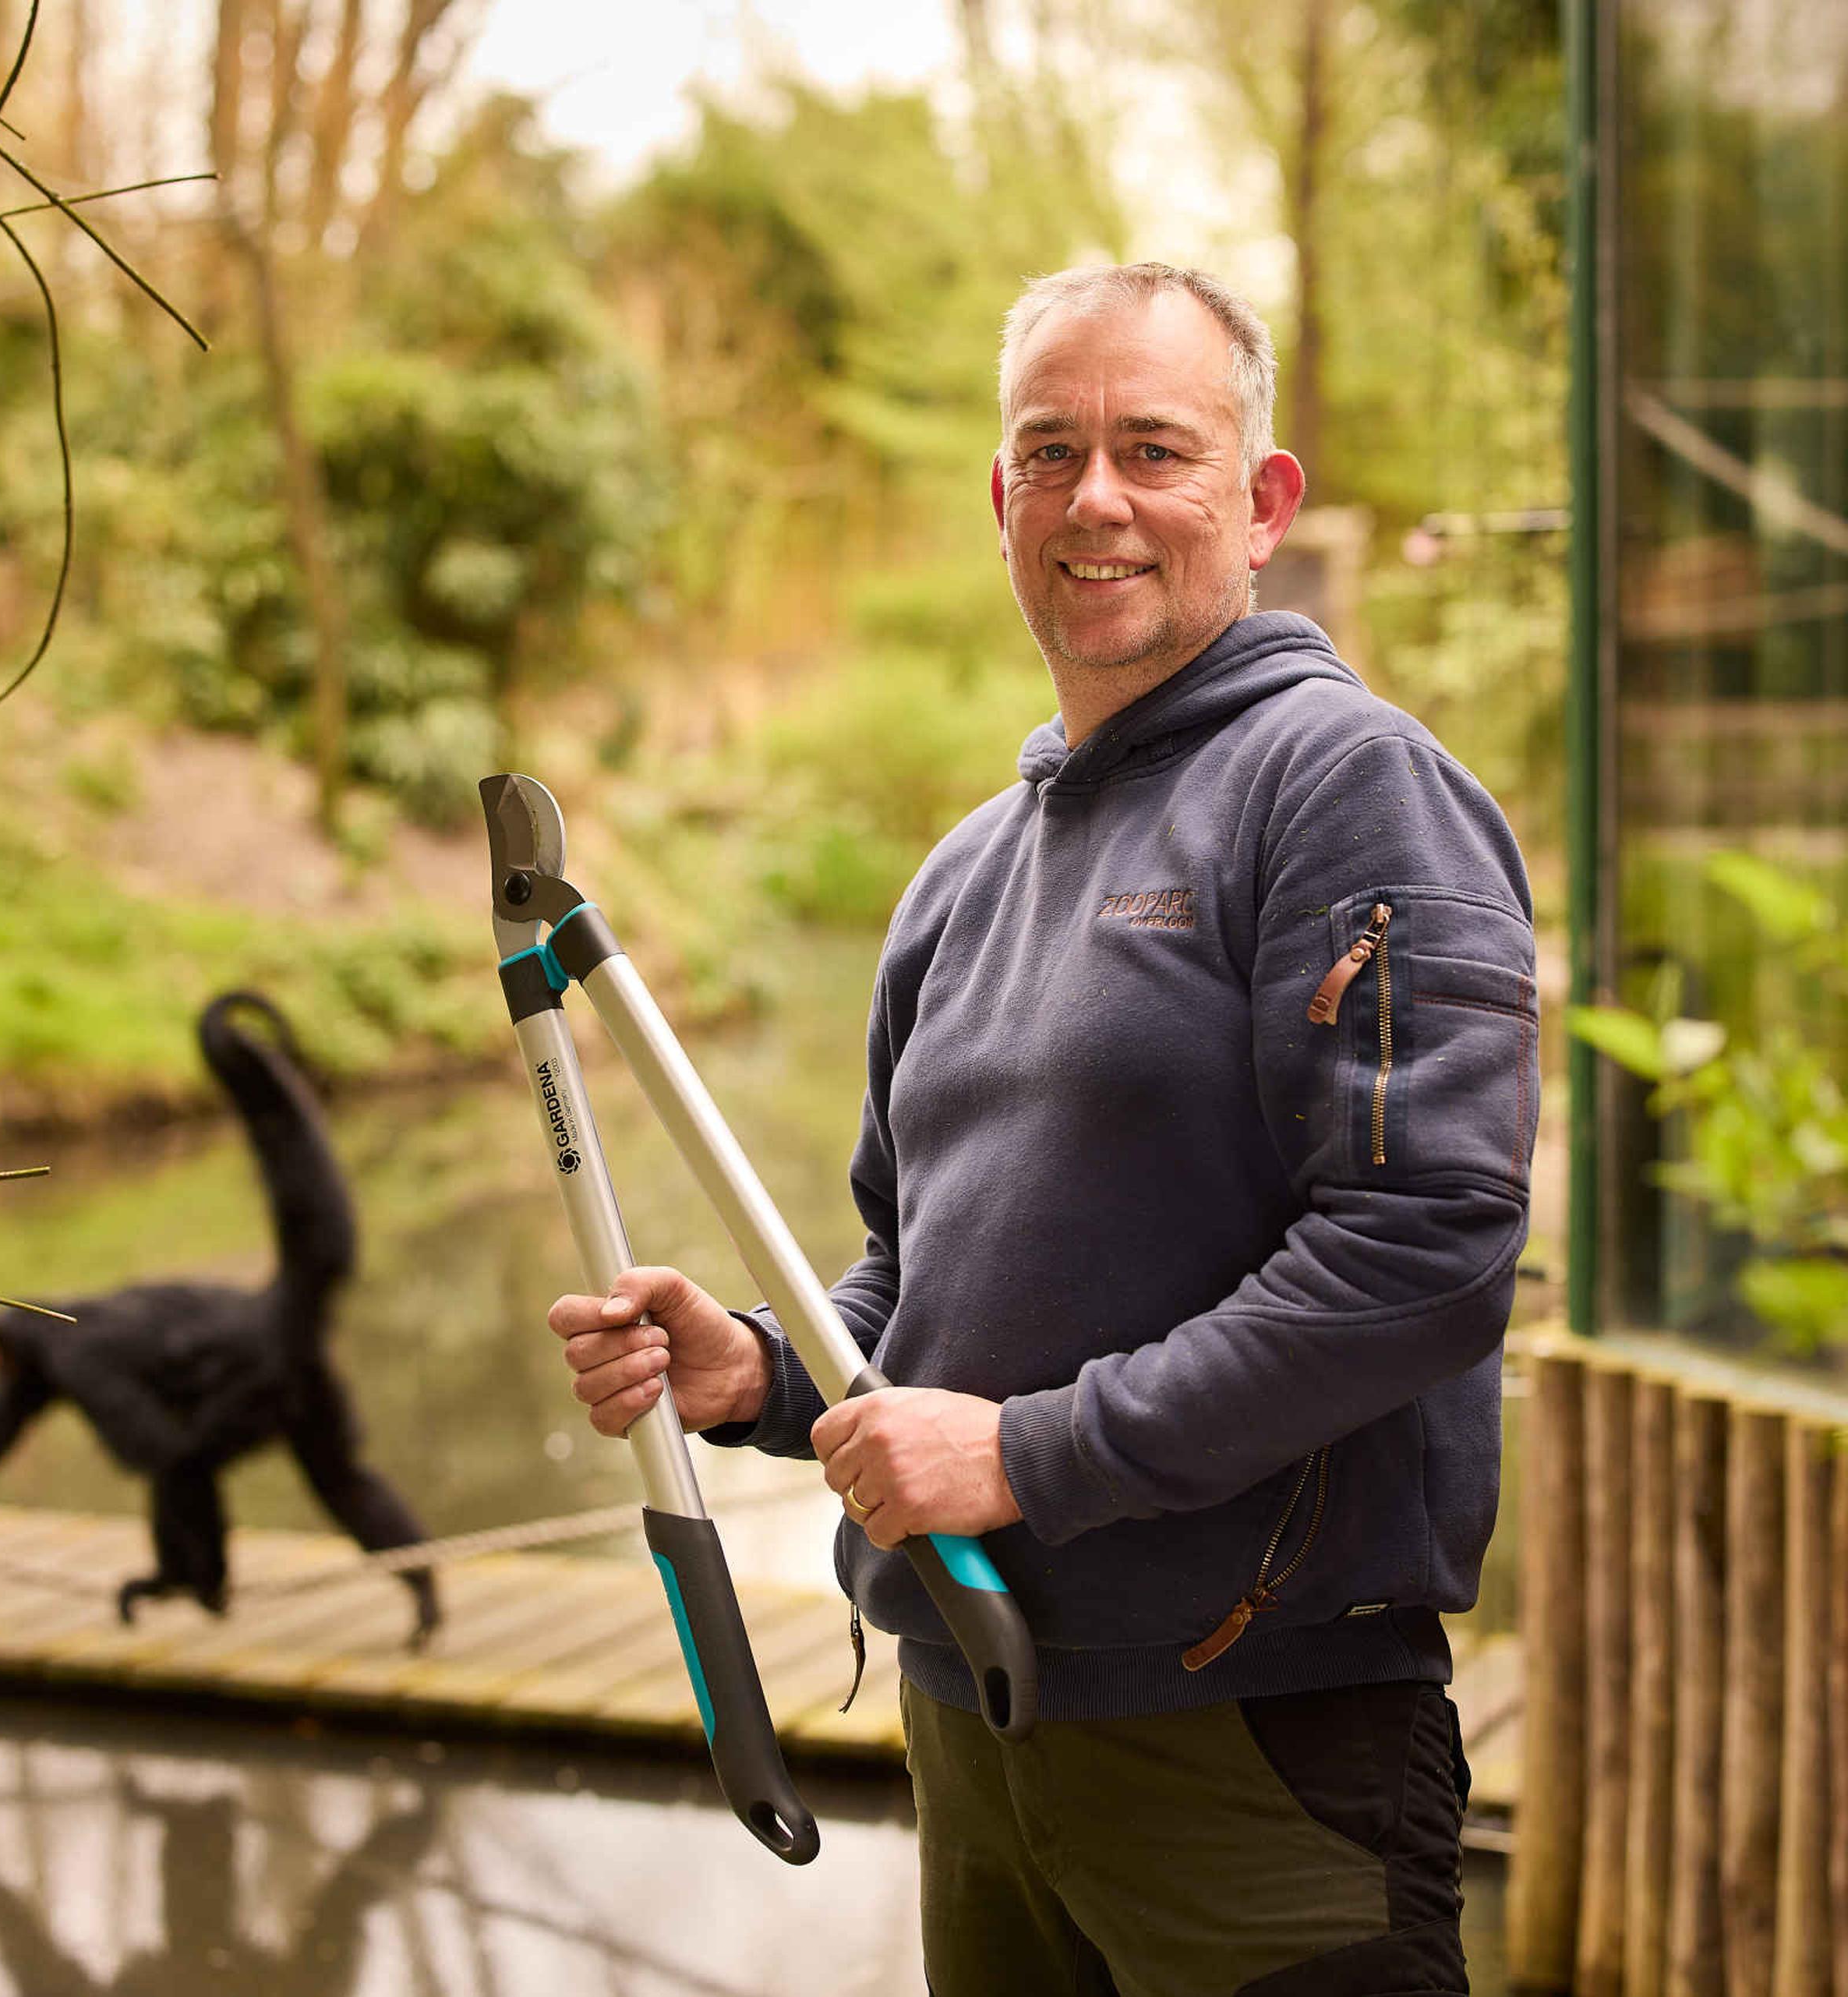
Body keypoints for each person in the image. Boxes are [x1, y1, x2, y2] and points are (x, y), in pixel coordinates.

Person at [548, 263, 1535, 1994]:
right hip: (976, 1723)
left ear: (1262, 499)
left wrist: (1025, 1458)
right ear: (1000, 500)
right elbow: (908, 1281)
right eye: (1050, 452)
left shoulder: (1346, 785)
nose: (1098, 500)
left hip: (1248, 1738)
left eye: (1157, 449)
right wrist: (767, 1377)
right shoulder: (962, 875)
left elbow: (1423, 1260)